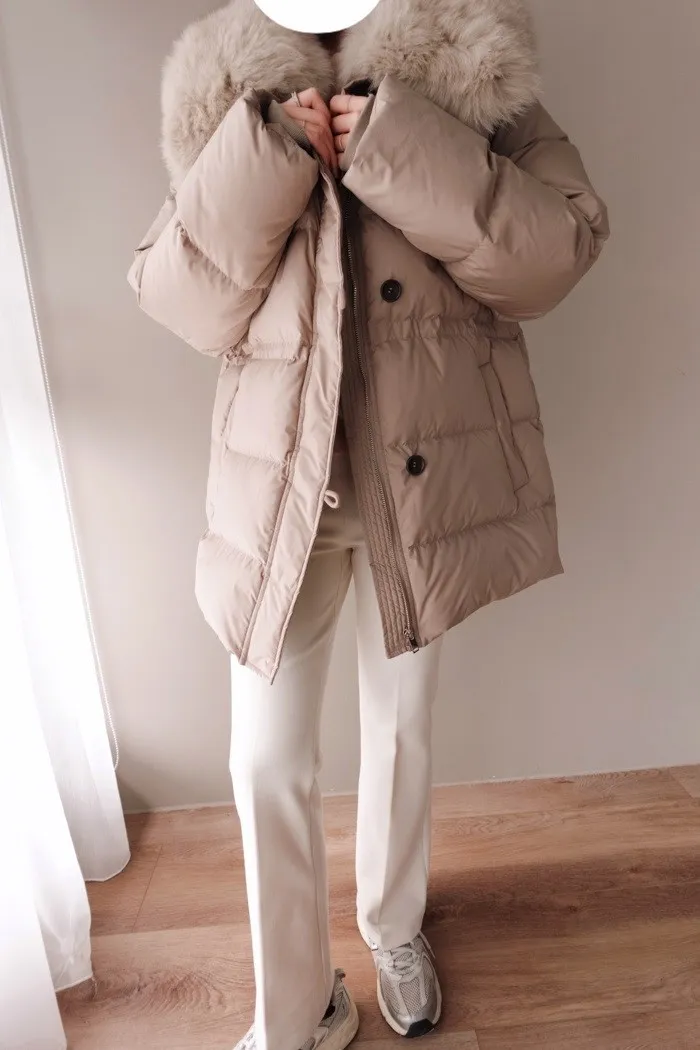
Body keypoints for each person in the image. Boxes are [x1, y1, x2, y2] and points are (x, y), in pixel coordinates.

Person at [128, 0, 609, 1047]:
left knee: (399, 729)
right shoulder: (226, 78)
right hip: (280, 497)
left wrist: (401, 143)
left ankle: (394, 927)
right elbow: (182, 301)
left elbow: (558, 251)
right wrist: (267, 157)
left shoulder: (470, 55)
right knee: (262, 761)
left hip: (420, 490)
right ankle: (297, 1006)